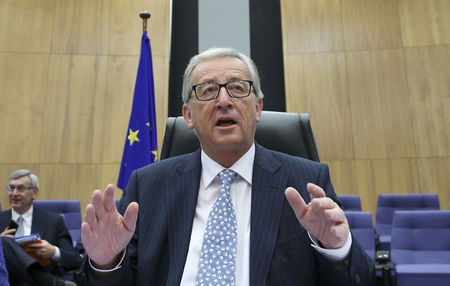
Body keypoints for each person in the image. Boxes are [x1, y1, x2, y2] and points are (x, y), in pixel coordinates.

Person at [82, 47, 376, 285]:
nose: (224, 100)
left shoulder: (306, 181)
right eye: (208, 90)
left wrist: (337, 250)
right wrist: (106, 263)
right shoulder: (148, 185)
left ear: (258, 108)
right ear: (188, 115)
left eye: (237, 88)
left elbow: (362, 279)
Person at [0, 169, 82, 286]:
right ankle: (53, 282)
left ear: (34, 192)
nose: (14, 193)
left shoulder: (53, 221)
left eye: (21, 188)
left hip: (40, 278)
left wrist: (53, 252)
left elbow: (75, 260)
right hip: (9, 280)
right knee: (2, 241)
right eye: (11, 188)